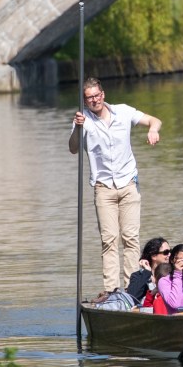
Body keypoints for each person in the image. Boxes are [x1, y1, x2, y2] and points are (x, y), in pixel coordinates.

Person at [69, 77, 162, 292]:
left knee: (131, 238)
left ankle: (132, 289)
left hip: (129, 184)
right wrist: (77, 128)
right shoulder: (82, 120)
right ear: (84, 100)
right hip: (104, 188)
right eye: (89, 97)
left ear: (103, 94)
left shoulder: (123, 111)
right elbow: (73, 148)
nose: (94, 100)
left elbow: (154, 120)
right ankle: (111, 290)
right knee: (109, 240)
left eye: (97, 95)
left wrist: (153, 130)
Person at [126, 237, 170, 303]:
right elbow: (131, 297)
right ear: (154, 256)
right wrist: (147, 272)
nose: (170, 255)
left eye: (170, 251)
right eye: (166, 252)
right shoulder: (138, 276)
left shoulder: (174, 273)